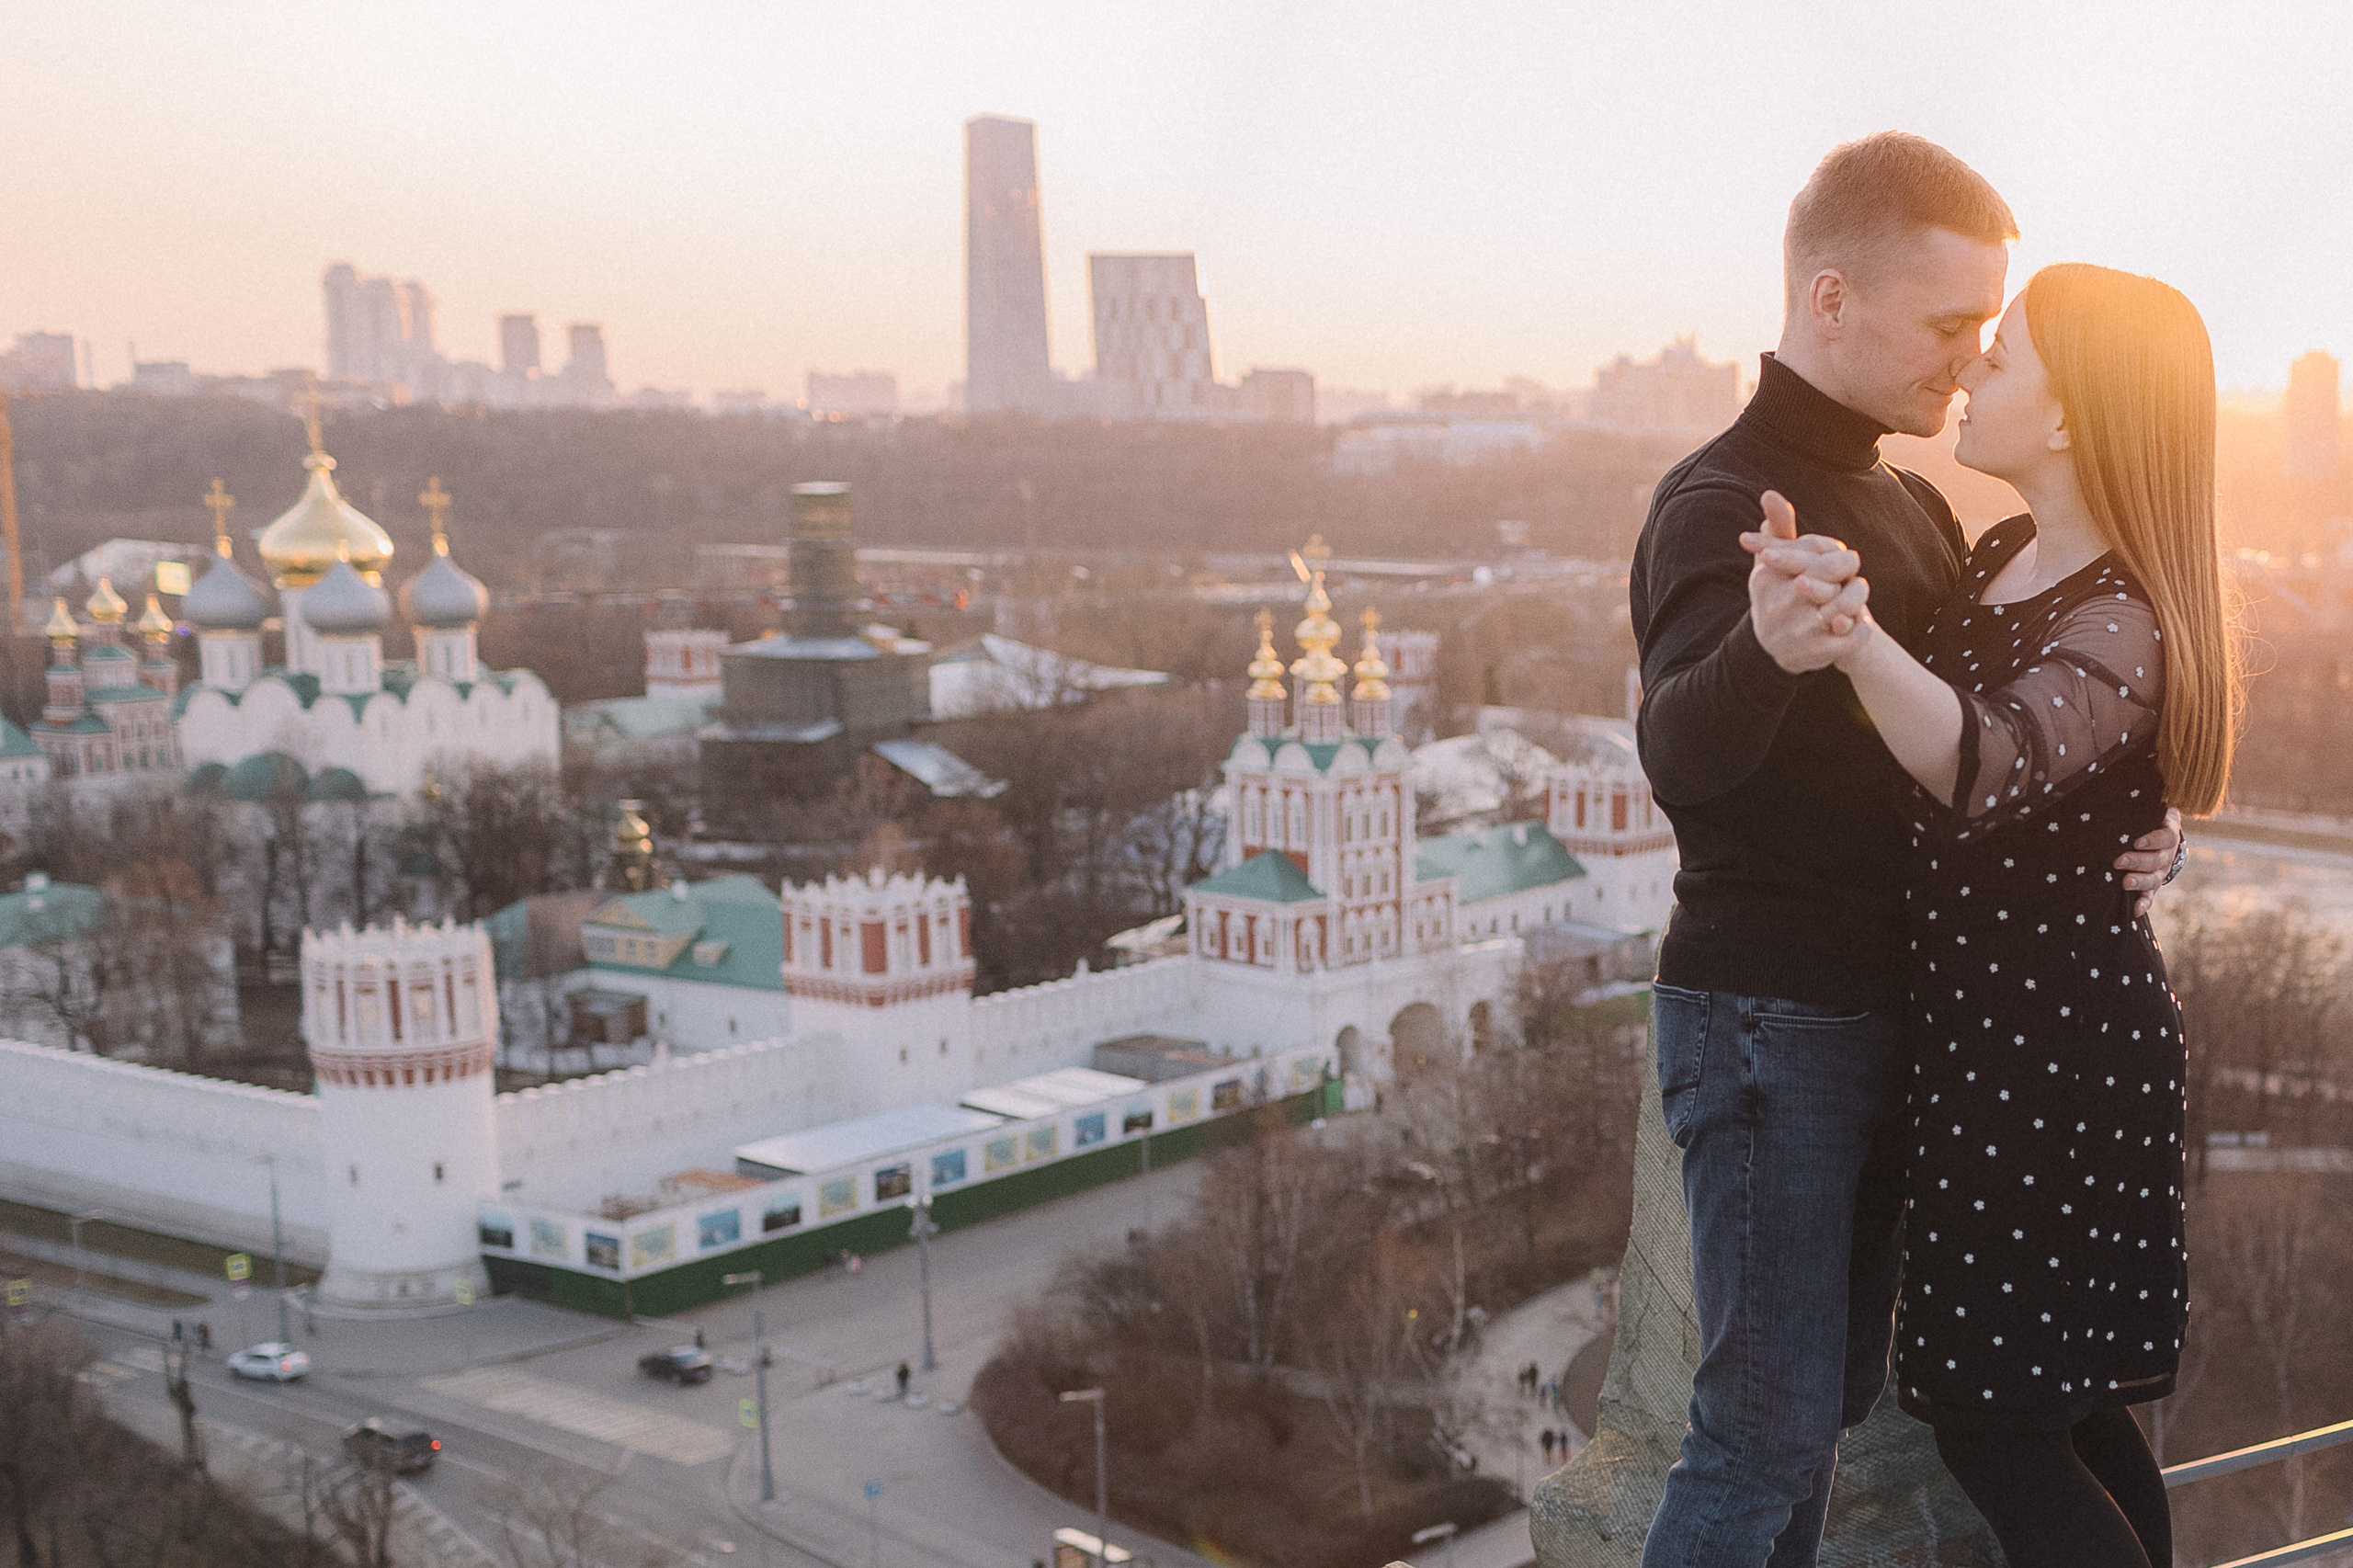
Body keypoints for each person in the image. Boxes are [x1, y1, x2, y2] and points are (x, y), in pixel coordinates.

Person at [1628, 131, 2184, 1568]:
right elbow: (1679, 753)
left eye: (1991, 335)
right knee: (1761, 1428)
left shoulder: (1924, 510)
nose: (1969, 357)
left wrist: (2137, 824)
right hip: (1772, 1021)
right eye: (1952, 325)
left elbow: (1999, 735)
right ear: (1830, 301)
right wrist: (1763, 645)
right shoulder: (1722, 500)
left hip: (1912, 1026)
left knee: (1831, 1415)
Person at [1745, 263, 2231, 1568]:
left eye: (2001, 356)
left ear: (2071, 417)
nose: (1969, 371)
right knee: (2063, 1411)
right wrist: (2152, 825)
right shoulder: (2009, 551)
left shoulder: (2124, 612)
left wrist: (1846, 633)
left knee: (1994, 1426)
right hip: (1985, 1054)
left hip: (2055, 1064)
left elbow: (1985, 760)